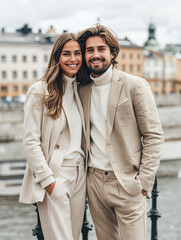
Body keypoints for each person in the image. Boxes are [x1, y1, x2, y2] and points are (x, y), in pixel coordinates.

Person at [77, 25, 164, 240]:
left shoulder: (135, 85)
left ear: (112, 53)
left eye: (101, 49)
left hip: (127, 181)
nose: (95, 55)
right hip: (95, 181)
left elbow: (153, 136)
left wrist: (144, 183)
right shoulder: (82, 89)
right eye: (90, 50)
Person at [19, 32, 87, 240]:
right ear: (57, 57)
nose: (73, 59)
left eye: (77, 53)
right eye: (67, 54)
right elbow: (31, 141)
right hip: (56, 174)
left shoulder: (81, 89)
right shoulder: (40, 91)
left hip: (80, 174)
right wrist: (49, 181)